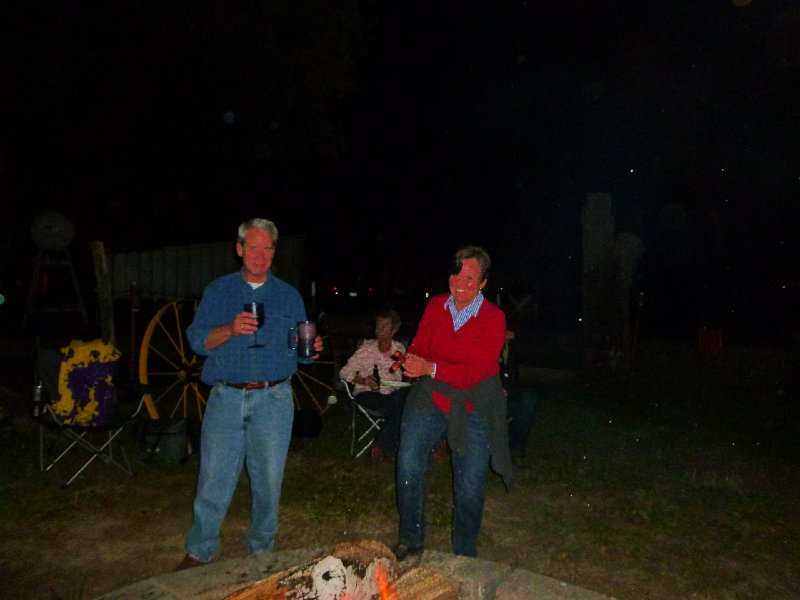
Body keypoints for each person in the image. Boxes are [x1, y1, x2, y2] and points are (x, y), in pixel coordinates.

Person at [176, 218, 322, 570]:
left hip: (274, 400)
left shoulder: (288, 295)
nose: (260, 255)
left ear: (274, 252)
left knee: (269, 482)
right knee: (213, 478)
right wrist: (229, 328)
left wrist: (309, 348)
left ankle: (261, 552)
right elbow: (197, 341)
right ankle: (200, 550)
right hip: (226, 397)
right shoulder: (219, 291)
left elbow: (296, 345)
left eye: (267, 248)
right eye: (253, 247)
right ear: (240, 249)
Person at [392, 244, 511, 560]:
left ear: (483, 282)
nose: (460, 283)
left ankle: (464, 552)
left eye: (470, 278)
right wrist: (412, 356)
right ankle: (411, 538)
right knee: (408, 463)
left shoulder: (494, 318)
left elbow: (476, 373)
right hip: (431, 396)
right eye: (456, 273)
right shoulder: (437, 307)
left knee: (469, 486)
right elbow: (421, 343)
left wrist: (430, 368)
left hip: (473, 404)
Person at [338, 309, 410, 460]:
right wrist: (363, 380)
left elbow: (404, 374)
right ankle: (387, 446)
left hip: (392, 394)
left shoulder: (399, 350)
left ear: (394, 330)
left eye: (385, 326)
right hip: (368, 394)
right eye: (378, 325)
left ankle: (379, 446)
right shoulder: (366, 349)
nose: (379, 329)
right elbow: (344, 372)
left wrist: (408, 367)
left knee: (407, 394)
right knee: (401, 407)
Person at [501, 330, 540, 468]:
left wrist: (514, 336)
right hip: (485, 394)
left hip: (508, 393)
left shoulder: (509, 346)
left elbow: (532, 345)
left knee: (529, 398)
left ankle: (516, 447)